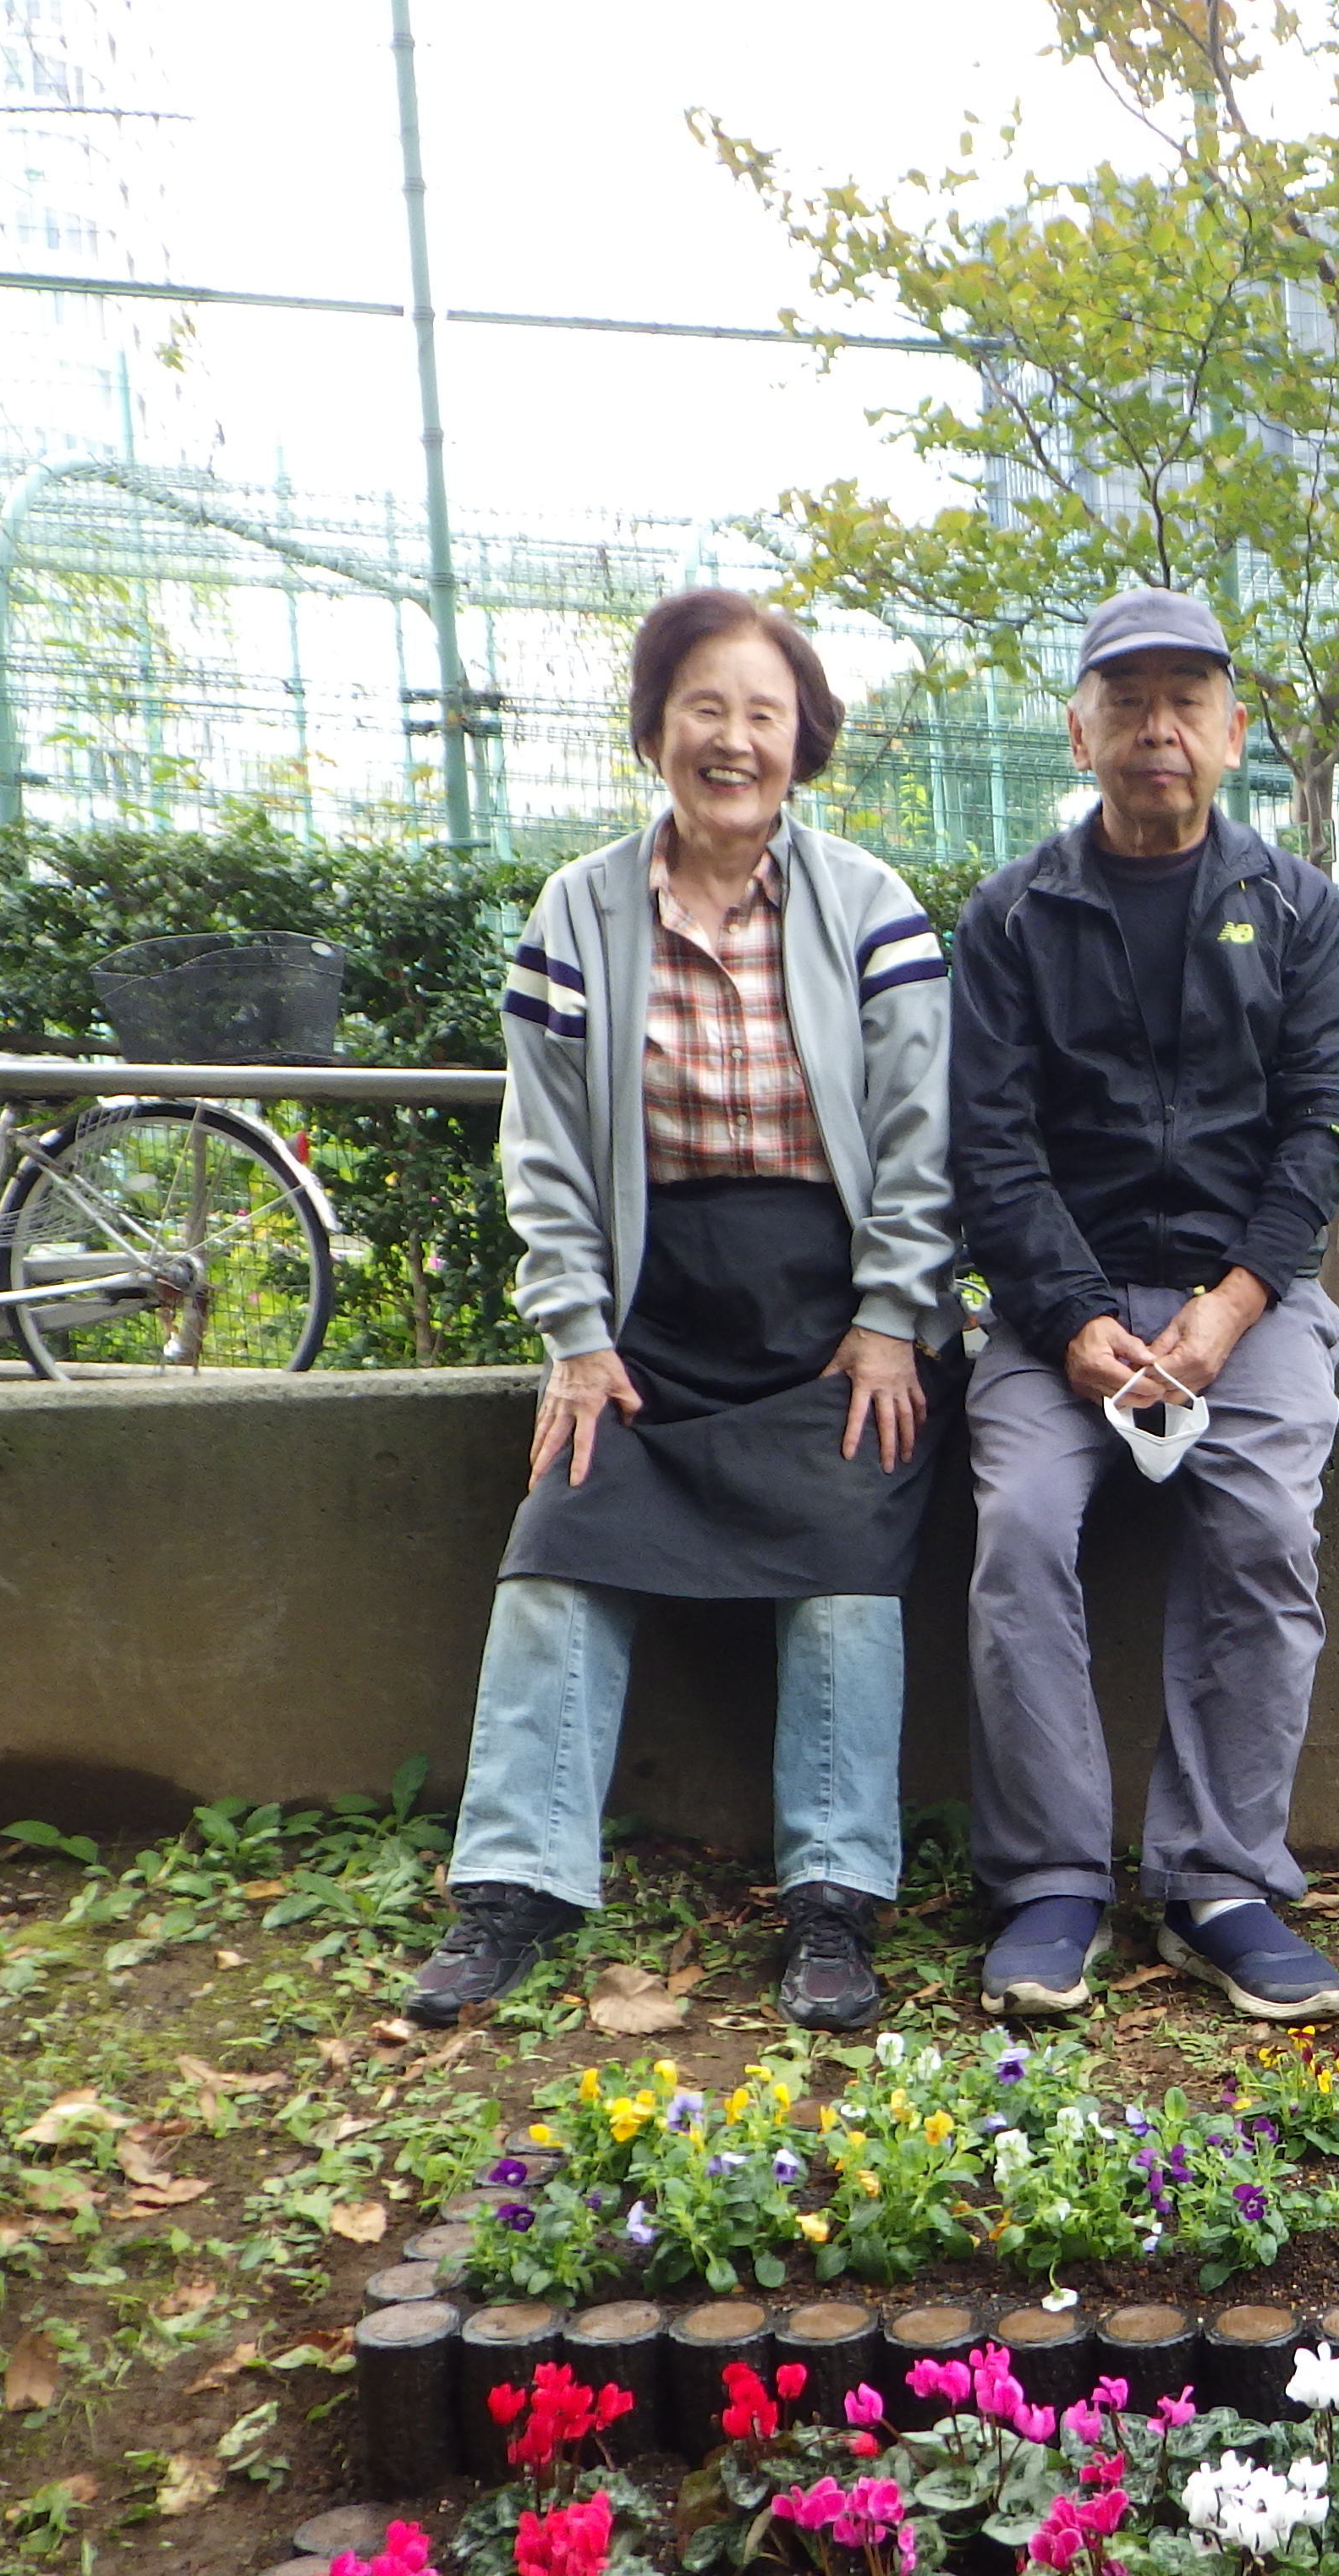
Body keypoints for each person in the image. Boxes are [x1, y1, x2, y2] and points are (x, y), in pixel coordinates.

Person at [402, 590, 955, 2034]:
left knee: (847, 1574)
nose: (734, 739)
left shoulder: (871, 909)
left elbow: (919, 1137)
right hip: (647, 1324)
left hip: (831, 1318)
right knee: (557, 1552)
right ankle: (510, 1894)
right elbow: (546, 1154)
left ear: (803, 741)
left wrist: (895, 1316)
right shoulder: (577, 914)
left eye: (764, 713)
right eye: (705, 707)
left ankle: (833, 1907)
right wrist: (574, 1339)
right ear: (654, 730)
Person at [948, 586, 1339, 2023]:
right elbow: (991, 1144)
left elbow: (1326, 1117)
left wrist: (1239, 1301)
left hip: (1243, 1311)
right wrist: (1072, 1317)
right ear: (1080, 729)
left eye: (1186, 700)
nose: (1157, 730)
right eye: (1126, 702)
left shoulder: (1299, 911)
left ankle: (1218, 1878)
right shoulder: (1012, 919)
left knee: (1259, 1522)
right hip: (1048, 1311)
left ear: (1232, 728)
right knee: (1017, 1527)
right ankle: (1054, 1878)